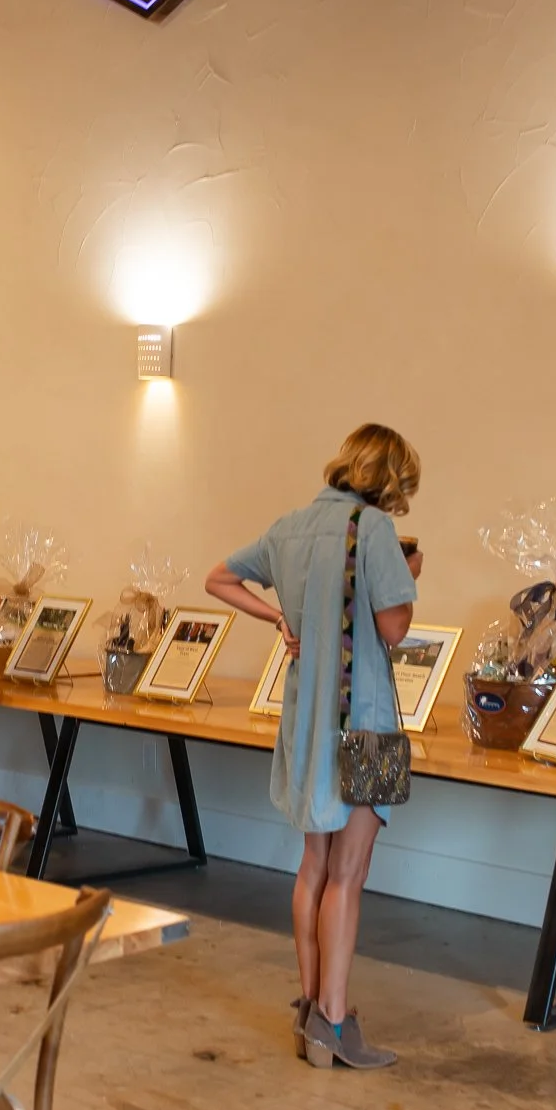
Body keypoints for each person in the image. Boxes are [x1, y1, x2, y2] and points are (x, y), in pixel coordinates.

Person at [206, 423, 423, 1069]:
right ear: (389, 477)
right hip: (367, 722)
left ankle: (310, 1012)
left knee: (314, 868)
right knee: (349, 875)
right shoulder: (373, 529)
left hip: (304, 721)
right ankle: (334, 1019)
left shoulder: (290, 527)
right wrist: (409, 575)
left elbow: (219, 578)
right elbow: (394, 628)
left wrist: (280, 617)